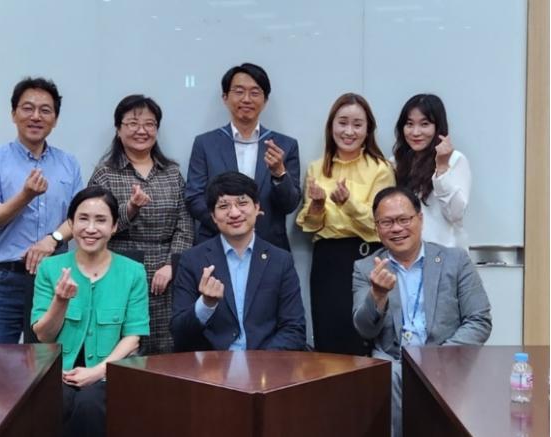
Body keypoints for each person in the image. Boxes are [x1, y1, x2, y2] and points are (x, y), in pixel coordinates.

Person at [353, 186, 492, 437]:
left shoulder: (455, 260)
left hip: (445, 356)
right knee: (391, 377)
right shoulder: (366, 268)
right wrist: (378, 295)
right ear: (377, 228)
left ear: (420, 219)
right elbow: (364, 329)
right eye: (387, 222)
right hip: (394, 361)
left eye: (404, 219)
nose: (397, 228)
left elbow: (479, 320)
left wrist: (439, 359)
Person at [31, 186, 150, 437]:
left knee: (90, 404)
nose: (91, 228)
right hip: (59, 373)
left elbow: (133, 338)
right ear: (71, 224)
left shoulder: (134, 272)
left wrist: (96, 372)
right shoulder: (49, 268)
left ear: (114, 226)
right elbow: (43, 335)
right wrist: (60, 301)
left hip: (109, 372)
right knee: (56, 402)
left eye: (101, 220)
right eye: (83, 219)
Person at [0, 77, 83, 344]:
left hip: (54, 276)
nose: (36, 117)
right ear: (14, 114)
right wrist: (25, 196)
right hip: (5, 278)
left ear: (55, 119)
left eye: (45, 110)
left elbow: (78, 217)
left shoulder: (68, 163)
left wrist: (53, 239)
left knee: (47, 360)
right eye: (27, 108)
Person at [89, 94, 194, 355]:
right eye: (133, 123)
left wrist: (172, 264)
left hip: (165, 271)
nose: (142, 130)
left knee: (165, 346)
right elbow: (95, 223)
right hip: (119, 265)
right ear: (118, 129)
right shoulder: (105, 173)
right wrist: (130, 209)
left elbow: (185, 222)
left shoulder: (171, 172)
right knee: (123, 346)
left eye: (149, 124)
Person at [296, 93, 395, 355]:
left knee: (363, 334)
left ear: (368, 130)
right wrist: (317, 206)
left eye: (357, 124)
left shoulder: (381, 169)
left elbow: (380, 224)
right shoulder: (317, 168)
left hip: (366, 256)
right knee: (328, 333)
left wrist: (348, 204)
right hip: (327, 259)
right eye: (342, 123)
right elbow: (310, 226)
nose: (349, 131)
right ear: (331, 126)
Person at [171, 172, 306, 351]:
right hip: (213, 365)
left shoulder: (281, 260)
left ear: (257, 207)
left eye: (242, 203)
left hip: (266, 363)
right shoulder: (192, 260)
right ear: (213, 216)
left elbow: (294, 329)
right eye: (224, 206)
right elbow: (179, 333)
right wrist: (205, 305)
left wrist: (260, 362)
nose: (234, 213)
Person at [185, 62, 301, 251]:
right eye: (239, 92)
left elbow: (289, 205)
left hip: (269, 247)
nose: (246, 99)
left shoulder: (285, 146)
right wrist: (230, 223)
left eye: (255, 93)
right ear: (225, 97)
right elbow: (194, 197)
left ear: (265, 100)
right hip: (215, 244)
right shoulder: (205, 144)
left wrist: (279, 174)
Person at [393, 93, 471, 248]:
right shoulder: (396, 162)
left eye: (424, 124)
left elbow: (455, 214)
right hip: (407, 254)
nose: (415, 132)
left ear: (438, 127)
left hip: (445, 252)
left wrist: (442, 168)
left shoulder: (455, 159)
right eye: (409, 124)